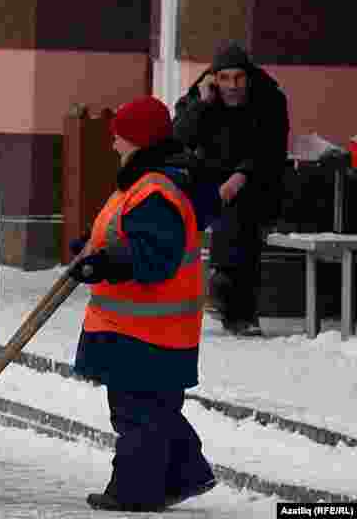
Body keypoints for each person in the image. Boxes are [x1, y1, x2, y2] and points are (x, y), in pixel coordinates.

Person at [69, 96, 217, 512]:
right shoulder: (147, 183)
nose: (114, 144)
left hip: (144, 330)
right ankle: (185, 474)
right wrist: (92, 249)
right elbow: (126, 235)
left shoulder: (154, 189)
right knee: (156, 410)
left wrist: (105, 265)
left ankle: (133, 491)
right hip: (152, 329)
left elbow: (151, 256)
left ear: (137, 141)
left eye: (119, 137)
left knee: (138, 415)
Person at [172, 41, 289, 336]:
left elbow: (271, 147)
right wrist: (201, 103)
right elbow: (179, 138)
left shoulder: (269, 99)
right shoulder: (201, 96)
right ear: (214, 79)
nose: (232, 86)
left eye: (238, 78)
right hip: (209, 176)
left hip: (256, 178)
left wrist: (241, 175)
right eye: (225, 79)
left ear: (248, 77)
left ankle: (230, 296)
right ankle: (226, 298)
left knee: (240, 212)